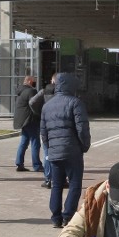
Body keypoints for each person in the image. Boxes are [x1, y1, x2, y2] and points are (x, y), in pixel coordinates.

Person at [40, 72, 91, 228]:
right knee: (75, 184)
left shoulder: (47, 105)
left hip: (54, 152)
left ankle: (55, 217)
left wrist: (50, 149)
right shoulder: (75, 103)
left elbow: (43, 132)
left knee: (56, 185)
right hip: (72, 152)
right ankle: (68, 216)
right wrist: (84, 145)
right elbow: (82, 128)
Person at [29, 74, 57, 188]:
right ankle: (60, 178)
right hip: (60, 125)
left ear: (52, 80)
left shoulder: (44, 91)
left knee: (47, 153)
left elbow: (32, 102)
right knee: (61, 153)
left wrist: (40, 112)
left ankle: (48, 179)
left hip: (46, 124)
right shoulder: (63, 92)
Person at [13, 76, 41, 172]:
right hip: (30, 119)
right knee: (35, 142)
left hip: (23, 120)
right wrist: (39, 113)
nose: (35, 83)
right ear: (29, 81)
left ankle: (19, 163)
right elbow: (34, 103)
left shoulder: (20, 92)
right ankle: (37, 165)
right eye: (34, 82)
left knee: (24, 142)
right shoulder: (31, 91)